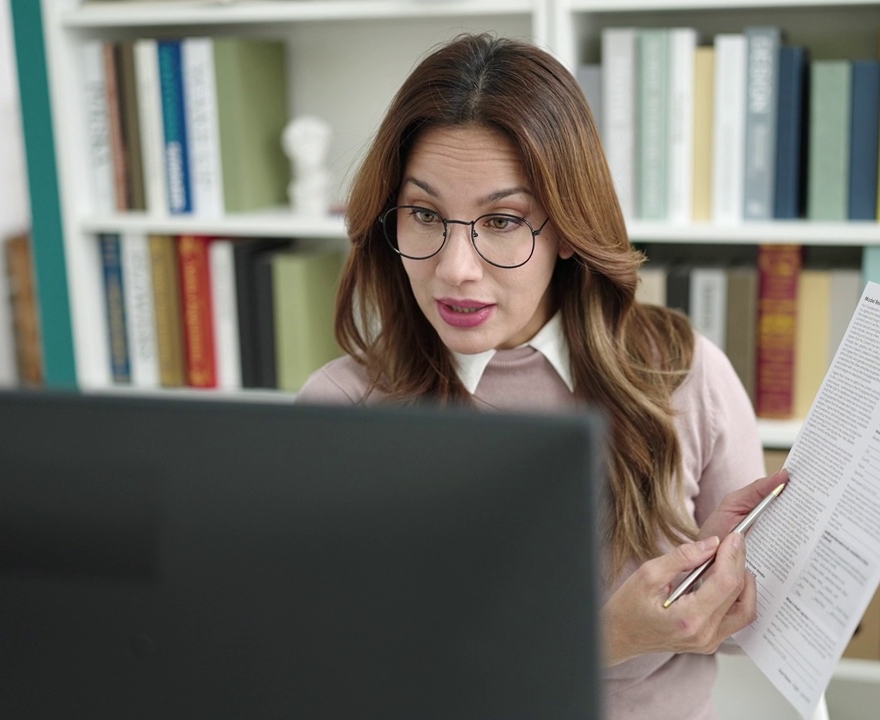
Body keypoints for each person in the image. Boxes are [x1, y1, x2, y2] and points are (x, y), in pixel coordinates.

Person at [296, 33, 787, 719]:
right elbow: (351, 677)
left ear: (566, 231)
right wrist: (605, 638)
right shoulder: (342, 410)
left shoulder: (684, 373)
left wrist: (731, 574)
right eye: (425, 214)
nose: (456, 268)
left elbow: (751, 638)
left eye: (502, 221)